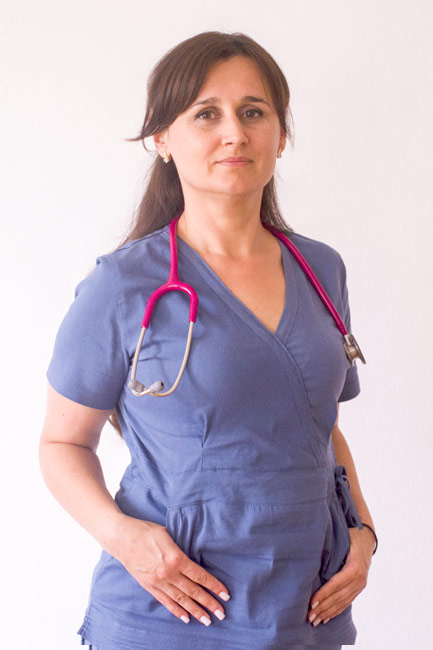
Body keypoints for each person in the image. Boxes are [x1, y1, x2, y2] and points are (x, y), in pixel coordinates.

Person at [39, 31, 377, 650]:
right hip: (172, 611)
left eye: (254, 112)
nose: (234, 133)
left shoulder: (321, 270)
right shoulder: (123, 285)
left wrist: (363, 531)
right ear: (162, 139)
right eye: (206, 114)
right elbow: (63, 443)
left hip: (307, 606)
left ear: (281, 133)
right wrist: (127, 541)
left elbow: (318, 424)